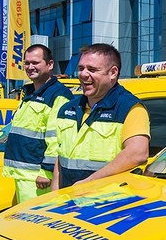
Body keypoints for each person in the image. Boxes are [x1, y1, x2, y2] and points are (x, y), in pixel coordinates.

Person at [50, 43, 149, 189]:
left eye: (92, 69)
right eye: (81, 68)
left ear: (113, 73)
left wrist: (88, 183)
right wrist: (54, 196)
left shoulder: (129, 108)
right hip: (68, 201)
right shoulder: (67, 109)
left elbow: (137, 153)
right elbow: (61, 160)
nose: (83, 74)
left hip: (107, 204)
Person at [2, 44, 74, 203]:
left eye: (35, 62)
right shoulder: (29, 94)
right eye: (27, 63)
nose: (30, 67)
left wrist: (47, 172)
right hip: (23, 175)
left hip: (38, 178)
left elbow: (57, 137)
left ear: (50, 64)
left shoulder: (58, 95)